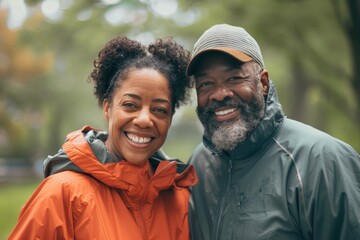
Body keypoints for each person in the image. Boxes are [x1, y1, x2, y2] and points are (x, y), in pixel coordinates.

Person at [8, 36, 198, 240]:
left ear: (169, 119)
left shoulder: (179, 199)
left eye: (159, 110)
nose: (144, 120)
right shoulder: (62, 193)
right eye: (130, 105)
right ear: (108, 108)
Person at [186, 23, 360, 240]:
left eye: (235, 78)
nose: (219, 94)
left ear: (263, 82)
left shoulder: (323, 162)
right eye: (206, 84)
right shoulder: (199, 165)